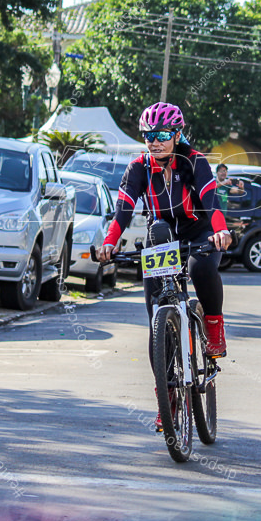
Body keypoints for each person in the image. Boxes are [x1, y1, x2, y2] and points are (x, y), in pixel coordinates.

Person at [96, 102, 233, 427]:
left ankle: (213, 325)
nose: (154, 142)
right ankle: (167, 397)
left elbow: (211, 202)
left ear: (176, 134)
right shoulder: (138, 168)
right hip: (164, 237)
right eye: (148, 136)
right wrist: (109, 242)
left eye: (161, 135)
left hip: (201, 231)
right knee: (158, 320)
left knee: (201, 269)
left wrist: (220, 230)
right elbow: (123, 213)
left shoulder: (195, 162)